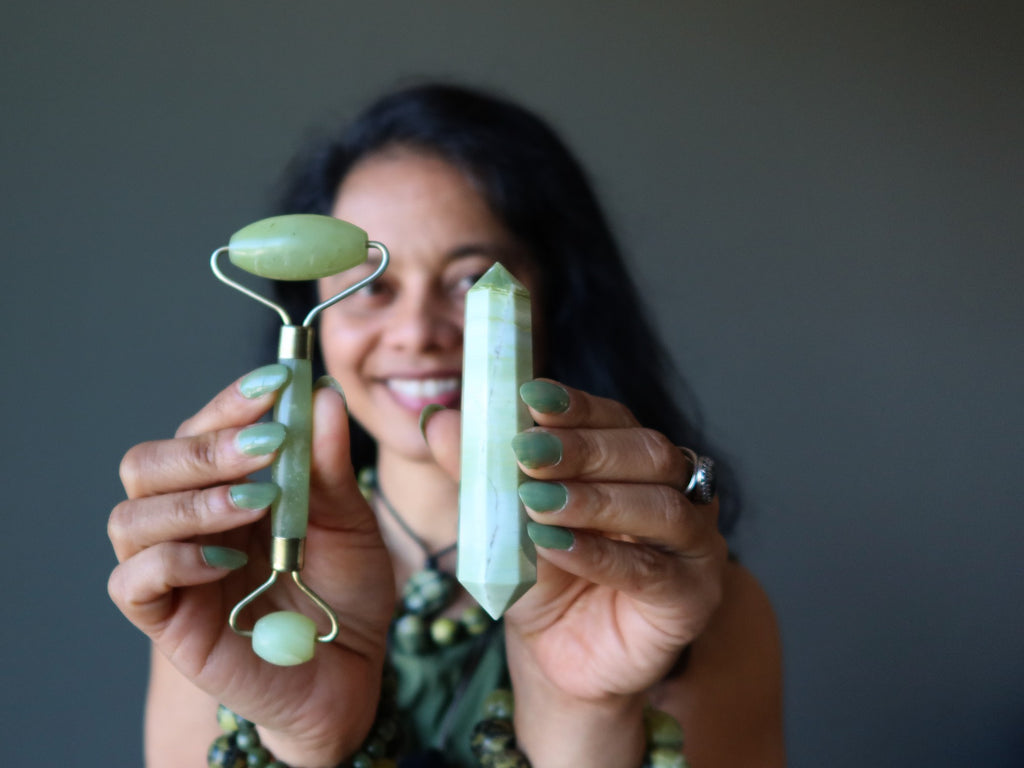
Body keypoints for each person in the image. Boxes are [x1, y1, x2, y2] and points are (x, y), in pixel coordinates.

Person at [108, 82, 784, 768]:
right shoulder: (237, 594)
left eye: (467, 282)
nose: (418, 334)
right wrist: (306, 742)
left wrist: (583, 715)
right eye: (370, 286)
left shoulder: (679, 607)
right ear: (316, 309)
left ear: (554, 302)